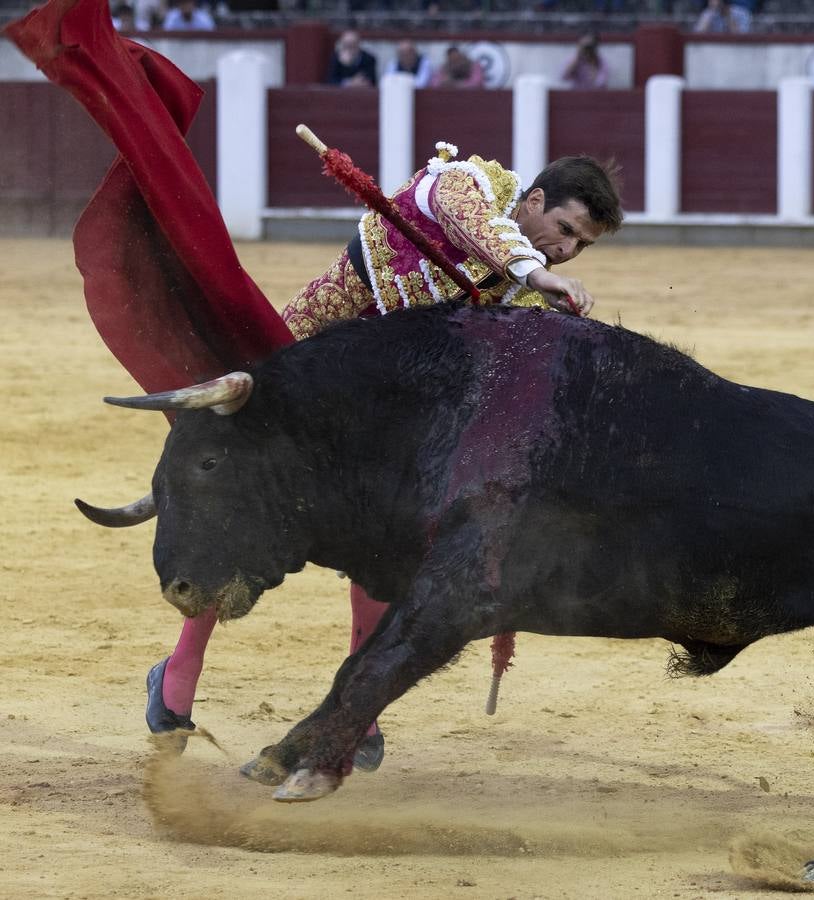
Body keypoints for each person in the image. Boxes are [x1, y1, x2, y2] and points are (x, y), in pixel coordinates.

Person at [146, 141, 624, 770]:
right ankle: (179, 676)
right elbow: (468, 220)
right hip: (297, 382)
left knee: (385, 544)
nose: (566, 251)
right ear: (533, 201)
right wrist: (532, 271)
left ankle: (359, 714)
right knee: (237, 516)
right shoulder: (464, 184)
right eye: (563, 230)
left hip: (380, 432)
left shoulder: (531, 302)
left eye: (580, 246)